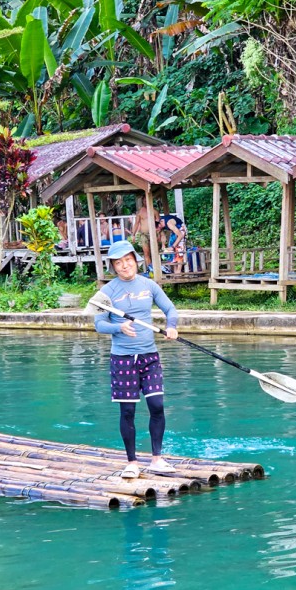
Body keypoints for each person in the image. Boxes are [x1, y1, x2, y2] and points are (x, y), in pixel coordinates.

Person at [93, 239, 179, 478]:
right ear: (113, 266)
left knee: (157, 406)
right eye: (118, 263)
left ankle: (157, 459)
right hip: (122, 359)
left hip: (149, 356)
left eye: (128, 260)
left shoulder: (149, 285)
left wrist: (171, 326)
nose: (124, 266)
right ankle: (131, 462)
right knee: (128, 412)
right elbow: (99, 324)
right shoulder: (106, 292)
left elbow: (170, 309)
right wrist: (118, 328)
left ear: (135, 260)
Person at [131, 202, 159, 272]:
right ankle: (150, 270)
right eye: (144, 200)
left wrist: (159, 234)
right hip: (143, 234)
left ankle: (157, 269)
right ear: (143, 201)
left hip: (153, 234)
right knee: (146, 252)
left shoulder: (155, 211)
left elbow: (159, 223)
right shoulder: (140, 212)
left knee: (155, 252)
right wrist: (133, 235)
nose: (146, 201)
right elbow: (136, 223)